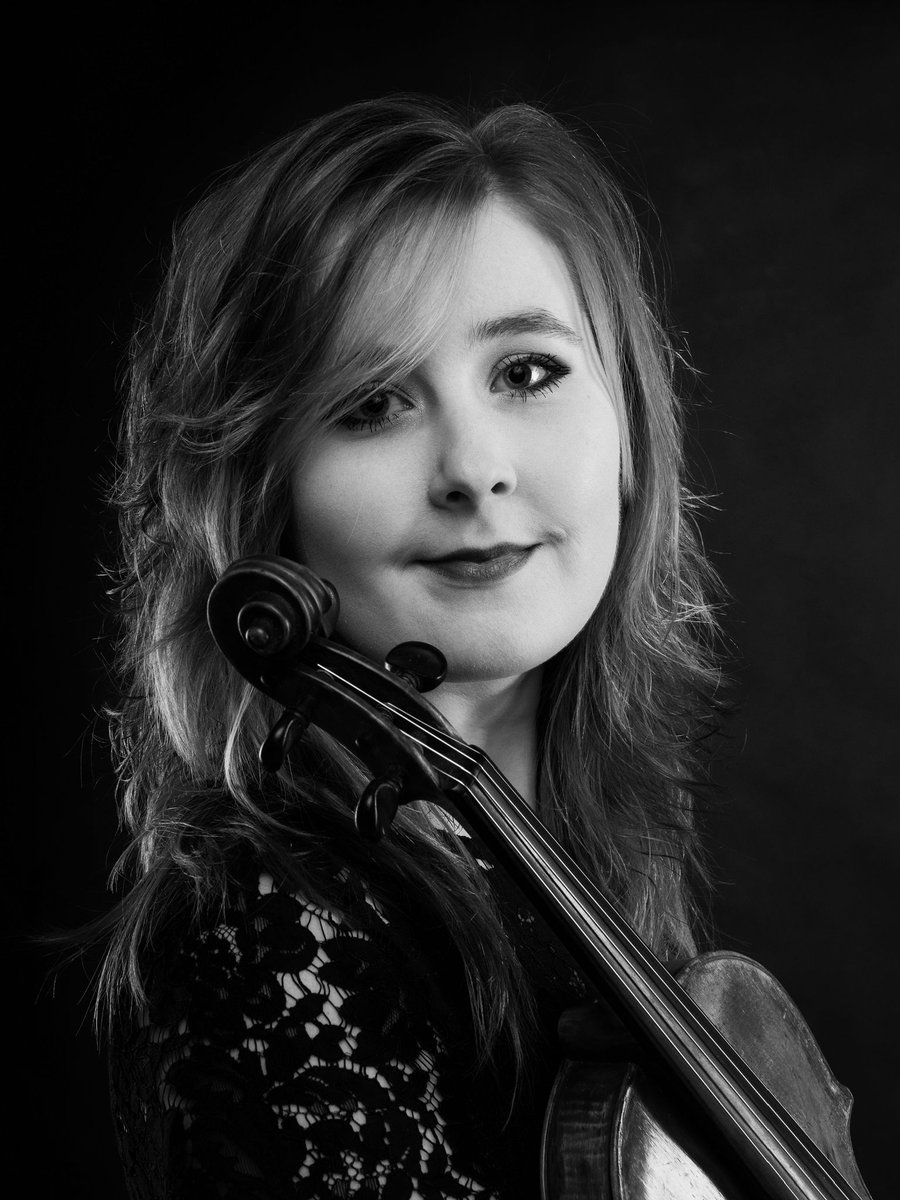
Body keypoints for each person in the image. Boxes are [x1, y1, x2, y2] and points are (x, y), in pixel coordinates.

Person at [100, 94, 722, 1198]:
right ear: (266, 498)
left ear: (629, 421)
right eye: (374, 402)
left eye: (526, 372)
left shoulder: (592, 859)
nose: (474, 469)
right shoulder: (275, 936)